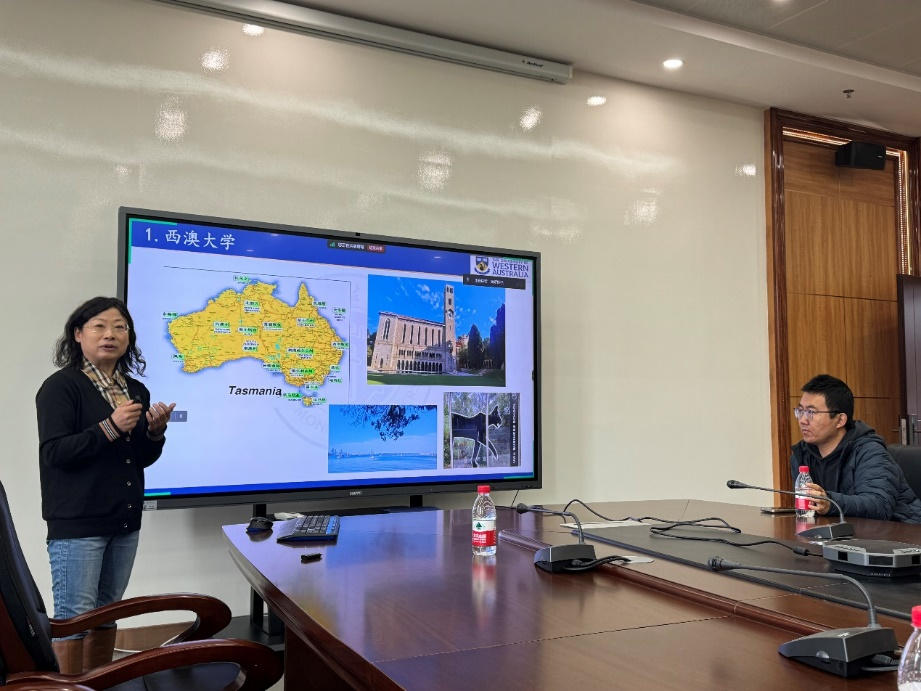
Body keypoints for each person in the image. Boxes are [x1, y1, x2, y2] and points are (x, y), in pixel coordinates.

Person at [35, 297, 175, 673]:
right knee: (75, 619)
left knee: (107, 613)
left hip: (124, 521)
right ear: (78, 334)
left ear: (129, 337)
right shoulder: (61, 387)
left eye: (119, 327)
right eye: (99, 326)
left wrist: (155, 433)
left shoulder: (135, 390)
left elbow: (139, 458)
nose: (110, 334)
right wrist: (110, 427)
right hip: (78, 523)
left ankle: (99, 683)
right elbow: (54, 453)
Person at [790, 373, 921, 524]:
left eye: (811, 412)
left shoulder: (870, 452)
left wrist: (830, 502)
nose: (803, 420)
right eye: (800, 411)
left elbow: (880, 506)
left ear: (840, 420)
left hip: (901, 532)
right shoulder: (802, 455)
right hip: (844, 533)